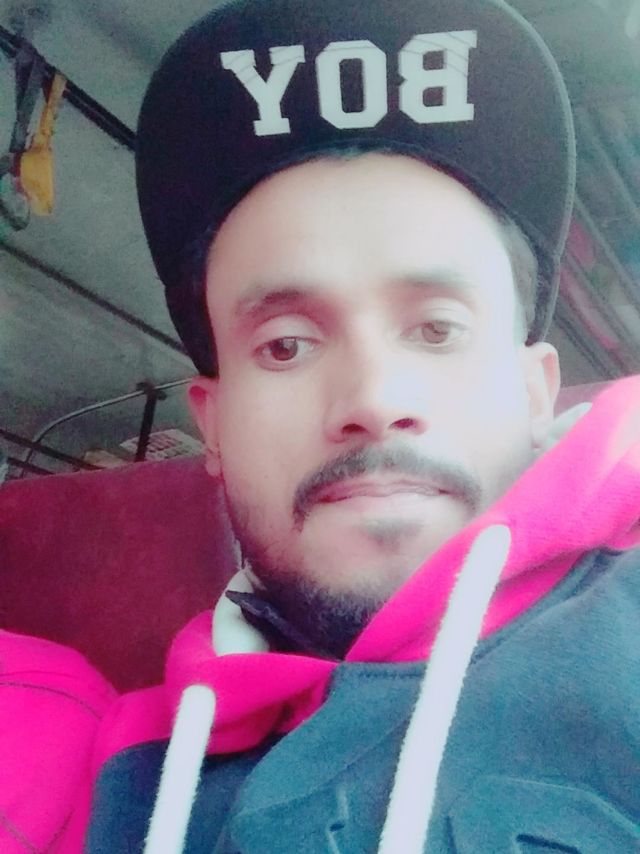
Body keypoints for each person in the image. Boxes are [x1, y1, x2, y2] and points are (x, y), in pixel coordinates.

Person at [2, 0, 640, 851]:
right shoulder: (119, 771)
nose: (372, 398)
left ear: (536, 393)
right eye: (286, 345)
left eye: (436, 330)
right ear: (213, 425)